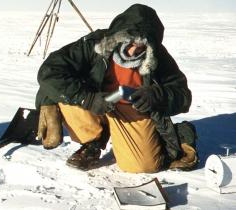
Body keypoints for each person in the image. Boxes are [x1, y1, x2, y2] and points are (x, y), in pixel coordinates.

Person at [35, 4, 198, 173]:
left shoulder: (158, 57)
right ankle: (93, 143)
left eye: (141, 46)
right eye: (130, 42)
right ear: (120, 36)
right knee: (66, 94)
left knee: (143, 166)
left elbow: (183, 95)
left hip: (131, 110)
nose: (133, 50)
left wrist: (156, 95)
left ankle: (180, 135)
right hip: (95, 101)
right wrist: (87, 99)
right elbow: (50, 71)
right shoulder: (96, 44)